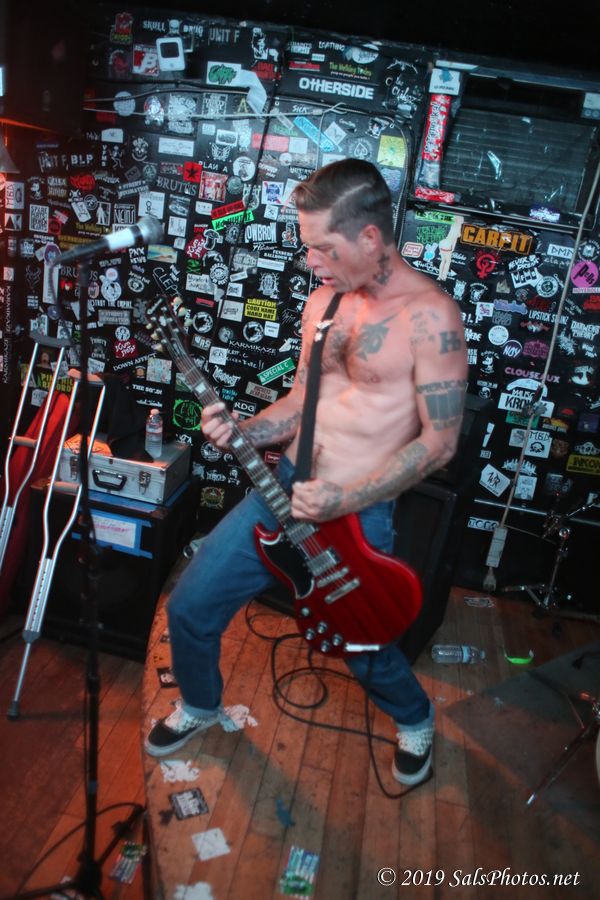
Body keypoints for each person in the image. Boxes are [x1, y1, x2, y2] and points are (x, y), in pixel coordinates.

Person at [145, 159, 468, 787]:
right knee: (189, 606)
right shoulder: (324, 302)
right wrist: (244, 430)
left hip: (359, 509)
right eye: (306, 246)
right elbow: (300, 402)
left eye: (323, 248)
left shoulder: (430, 318)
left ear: (369, 238)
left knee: (363, 640)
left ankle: (415, 717)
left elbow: (440, 444)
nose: (310, 261)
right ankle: (201, 705)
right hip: (282, 490)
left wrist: (344, 496)